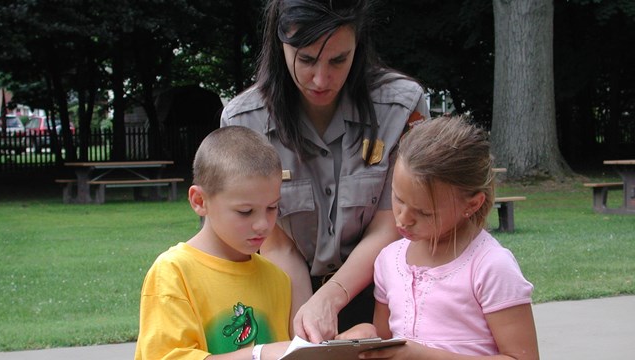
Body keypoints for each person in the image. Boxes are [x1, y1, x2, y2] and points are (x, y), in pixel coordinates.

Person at [220, 0, 431, 343]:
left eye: (338, 59)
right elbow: (277, 246)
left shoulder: (403, 107)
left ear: (358, 45)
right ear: (281, 45)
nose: (321, 79)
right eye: (305, 59)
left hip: (384, 294)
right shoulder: (244, 121)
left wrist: (331, 297)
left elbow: (391, 225)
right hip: (288, 290)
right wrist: (308, 332)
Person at [338, 116, 539, 359]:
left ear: (472, 204)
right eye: (398, 198)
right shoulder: (389, 260)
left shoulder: (490, 266)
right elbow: (387, 342)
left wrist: (424, 356)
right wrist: (367, 334)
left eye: (424, 212)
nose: (403, 219)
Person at [134, 126, 292, 360]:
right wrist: (258, 354)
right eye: (245, 211)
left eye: (272, 207)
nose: (263, 224)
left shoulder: (277, 278)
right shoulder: (174, 272)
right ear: (199, 200)